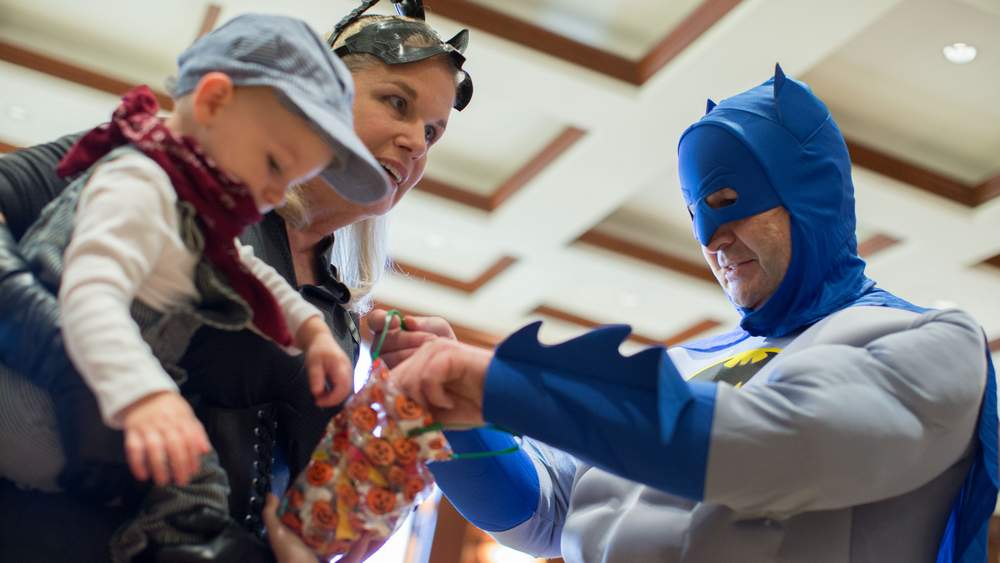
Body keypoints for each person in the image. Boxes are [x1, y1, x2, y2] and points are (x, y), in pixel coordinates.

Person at [382, 65, 998, 563]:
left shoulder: (926, 344)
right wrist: (453, 415)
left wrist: (505, 385)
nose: (713, 238)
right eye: (697, 212)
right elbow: (541, 510)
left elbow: (762, 450)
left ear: (810, 197)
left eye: (732, 202)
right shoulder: (685, 362)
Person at [0, 1, 473, 561]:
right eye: (396, 103)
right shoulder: (162, 168)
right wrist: (66, 356)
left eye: (433, 133)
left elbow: (327, 525)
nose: (417, 142)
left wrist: (408, 407)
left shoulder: (339, 318)